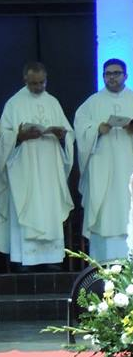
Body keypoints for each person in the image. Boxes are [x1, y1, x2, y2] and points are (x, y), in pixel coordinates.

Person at [74, 59, 133, 261]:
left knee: (130, 208)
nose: (112, 77)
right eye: (108, 74)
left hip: (131, 165)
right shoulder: (92, 103)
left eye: (116, 73)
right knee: (105, 212)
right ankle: (103, 263)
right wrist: (97, 130)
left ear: (126, 76)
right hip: (102, 168)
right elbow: (81, 127)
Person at [0, 62, 74, 272]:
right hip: (24, 168)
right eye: (34, 83)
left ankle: (51, 258)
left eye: (42, 82)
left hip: (49, 166)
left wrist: (62, 135)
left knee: (48, 207)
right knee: (27, 203)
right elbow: (3, 135)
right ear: (25, 80)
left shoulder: (53, 102)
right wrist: (19, 136)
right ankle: (25, 258)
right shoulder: (14, 104)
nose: (39, 86)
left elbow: (68, 132)